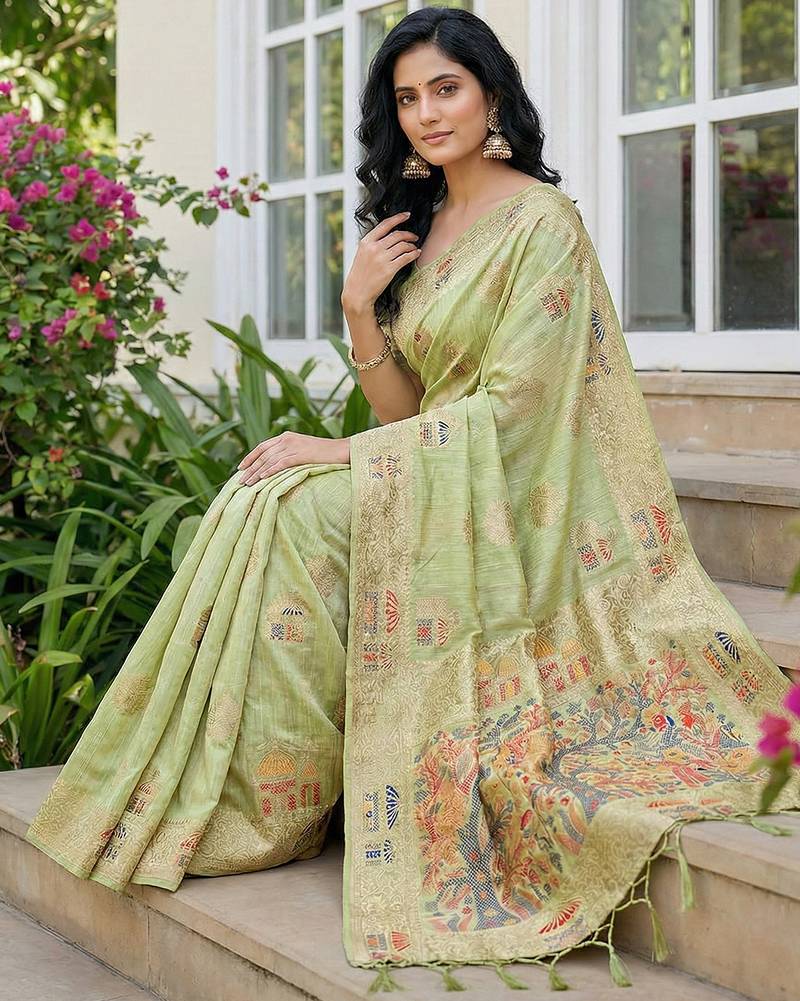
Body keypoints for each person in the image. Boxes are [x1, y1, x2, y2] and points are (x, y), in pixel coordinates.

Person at [24, 6, 799, 993]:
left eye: (445, 89)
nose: (426, 114)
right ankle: (242, 789)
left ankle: (270, 807)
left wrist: (340, 452)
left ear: (491, 96)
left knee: (297, 505)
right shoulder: (415, 227)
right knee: (265, 501)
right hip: (437, 473)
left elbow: (516, 414)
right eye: (406, 98)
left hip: (517, 503)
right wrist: (359, 306)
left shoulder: (543, 224)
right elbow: (409, 405)